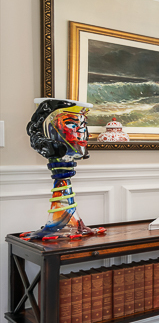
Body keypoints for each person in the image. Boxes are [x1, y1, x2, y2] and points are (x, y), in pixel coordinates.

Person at [20, 98, 105, 240]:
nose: (82, 130)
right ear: (50, 130)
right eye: (72, 124)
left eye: (83, 124)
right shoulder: (50, 145)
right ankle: (58, 225)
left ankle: (68, 224)